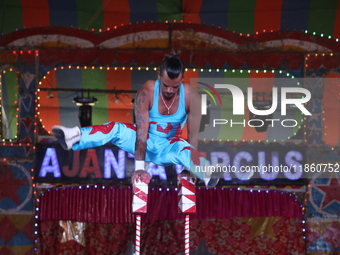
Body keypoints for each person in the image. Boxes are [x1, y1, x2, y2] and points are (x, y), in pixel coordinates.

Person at [52, 52, 220, 187]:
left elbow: (193, 136)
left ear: (182, 78)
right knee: (115, 128)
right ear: (158, 76)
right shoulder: (147, 91)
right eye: (165, 85)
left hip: (170, 147)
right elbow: (141, 132)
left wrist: (187, 170)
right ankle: (74, 137)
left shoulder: (192, 97)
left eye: (174, 87)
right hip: (144, 140)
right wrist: (140, 168)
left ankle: (205, 172)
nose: (169, 90)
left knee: (184, 147)